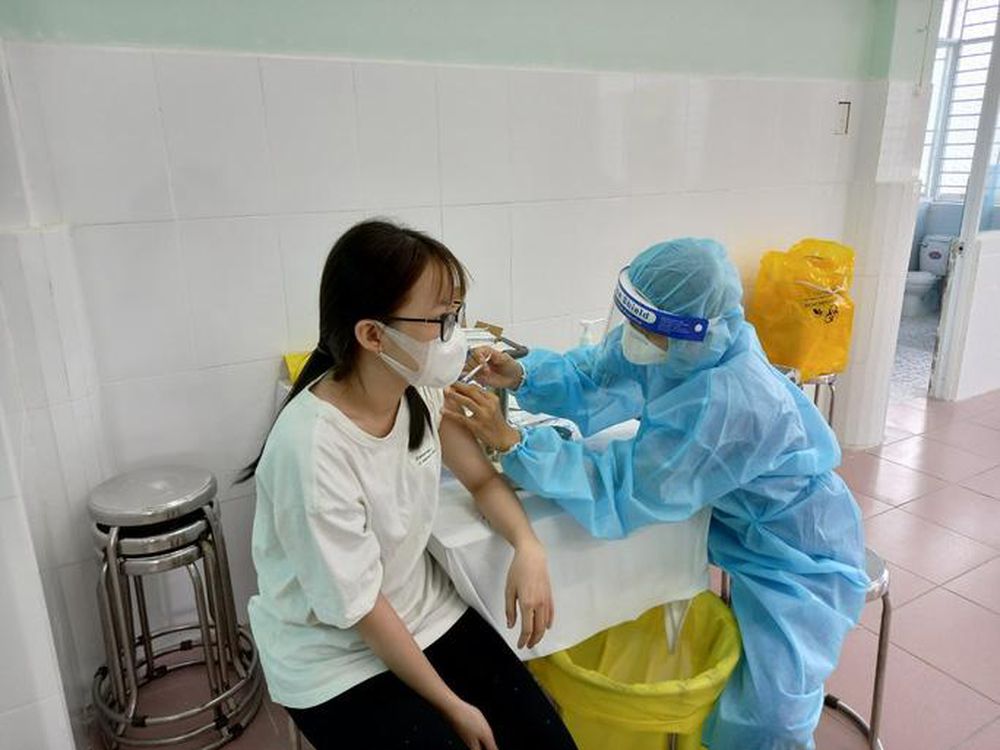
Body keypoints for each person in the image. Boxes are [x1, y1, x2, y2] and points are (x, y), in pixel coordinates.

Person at [444, 237, 868, 750]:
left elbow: (622, 488)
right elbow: (597, 374)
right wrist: (522, 374)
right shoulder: (686, 348)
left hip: (798, 548)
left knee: (770, 712)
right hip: (733, 523)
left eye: (645, 329)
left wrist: (516, 444)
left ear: (689, 333)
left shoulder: (728, 401)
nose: (632, 339)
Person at [237, 220, 577, 750]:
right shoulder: (311, 449)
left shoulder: (418, 389)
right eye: (441, 320)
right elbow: (362, 606)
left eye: (456, 315)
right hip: (333, 657)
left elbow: (481, 479)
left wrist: (528, 545)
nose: (455, 337)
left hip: (425, 613)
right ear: (372, 335)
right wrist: (453, 706)